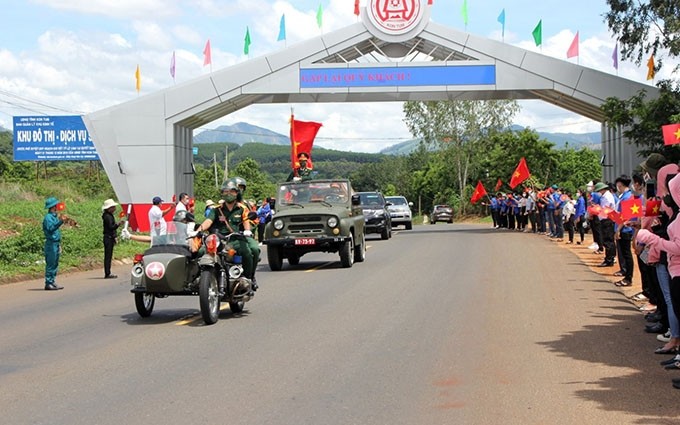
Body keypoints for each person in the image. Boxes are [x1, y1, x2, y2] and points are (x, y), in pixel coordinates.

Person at [194, 180, 255, 284]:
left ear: (236, 193)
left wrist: (247, 231)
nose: (228, 194)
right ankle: (199, 277)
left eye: (232, 191)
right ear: (222, 193)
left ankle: (247, 277)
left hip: (235, 239)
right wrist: (197, 231)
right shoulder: (216, 210)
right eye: (225, 191)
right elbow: (208, 221)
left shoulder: (242, 209)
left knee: (247, 253)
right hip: (218, 239)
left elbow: (246, 221)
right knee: (200, 252)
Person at [232, 177, 261, 286]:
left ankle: (251, 276)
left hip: (244, 235)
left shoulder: (246, 205)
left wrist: (247, 230)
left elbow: (254, 221)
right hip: (228, 236)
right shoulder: (224, 204)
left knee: (254, 249)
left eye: (242, 188)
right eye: (238, 188)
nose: (240, 191)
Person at [43, 197, 65, 290]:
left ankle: (52, 281)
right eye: (56, 205)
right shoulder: (48, 218)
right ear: (53, 206)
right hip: (51, 243)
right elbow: (51, 228)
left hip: (55, 242)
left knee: (55, 263)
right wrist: (60, 222)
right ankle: (48, 282)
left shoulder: (54, 216)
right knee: (51, 263)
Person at [595, 182, 617, 267]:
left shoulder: (606, 197)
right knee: (609, 240)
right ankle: (610, 258)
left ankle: (609, 259)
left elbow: (606, 209)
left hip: (607, 219)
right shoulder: (606, 196)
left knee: (607, 240)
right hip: (607, 219)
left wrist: (597, 210)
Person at [102, 198, 124, 279]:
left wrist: (115, 236)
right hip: (108, 238)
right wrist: (118, 224)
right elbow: (111, 227)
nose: (114, 208)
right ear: (109, 208)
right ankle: (107, 273)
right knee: (108, 256)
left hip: (110, 237)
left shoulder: (109, 215)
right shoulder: (107, 216)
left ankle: (108, 272)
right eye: (113, 207)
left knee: (109, 255)